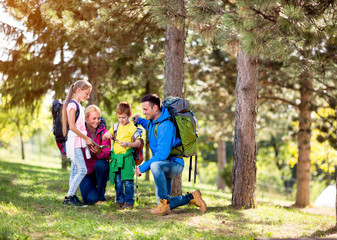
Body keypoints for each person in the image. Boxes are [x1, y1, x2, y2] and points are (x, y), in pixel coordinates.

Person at [132, 93, 207, 215]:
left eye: (145, 109)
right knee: (163, 203)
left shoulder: (166, 126)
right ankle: (193, 197)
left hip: (174, 164)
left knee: (155, 165)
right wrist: (140, 120)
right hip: (165, 163)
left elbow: (162, 154)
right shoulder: (155, 120)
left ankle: (165, 203)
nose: (144, 112)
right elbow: (150, 126)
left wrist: (142, 167)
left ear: (155, 108)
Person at [102, 102, 142, 209]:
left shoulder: (132, 128)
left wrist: (128, 144)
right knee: (118, 181)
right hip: (116, 159)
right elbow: (103, 138)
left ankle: (129, 202)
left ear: (129, 115)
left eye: (124, 117)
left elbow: (138, 143)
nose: (121, 120)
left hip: (127, 159)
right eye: (119, 117)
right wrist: (107, 135)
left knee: (128, 181)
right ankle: (120, 200)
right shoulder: (115, 126)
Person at [61, 80, 94, 206]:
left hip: (78, 142)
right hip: (74, 141)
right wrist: (85, 138)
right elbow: (72, 127)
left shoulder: (78, 105)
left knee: (75, 170)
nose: (88, 96)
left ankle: (72, 196)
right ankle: (69, 197)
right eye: (86, 93)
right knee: (82, 170)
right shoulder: (72, 105)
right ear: (79, 91)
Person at [79, 105, 111, 205]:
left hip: (100, 169)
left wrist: (99, 153)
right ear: (86, 118)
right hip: (86, 172)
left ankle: (102, 197)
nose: (97, 121)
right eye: (94, 118)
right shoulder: (81, 132)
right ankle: (94, 190)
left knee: (101, 164)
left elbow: (107, 152)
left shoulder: (104, 132)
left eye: (98, 118)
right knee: (90, 200)